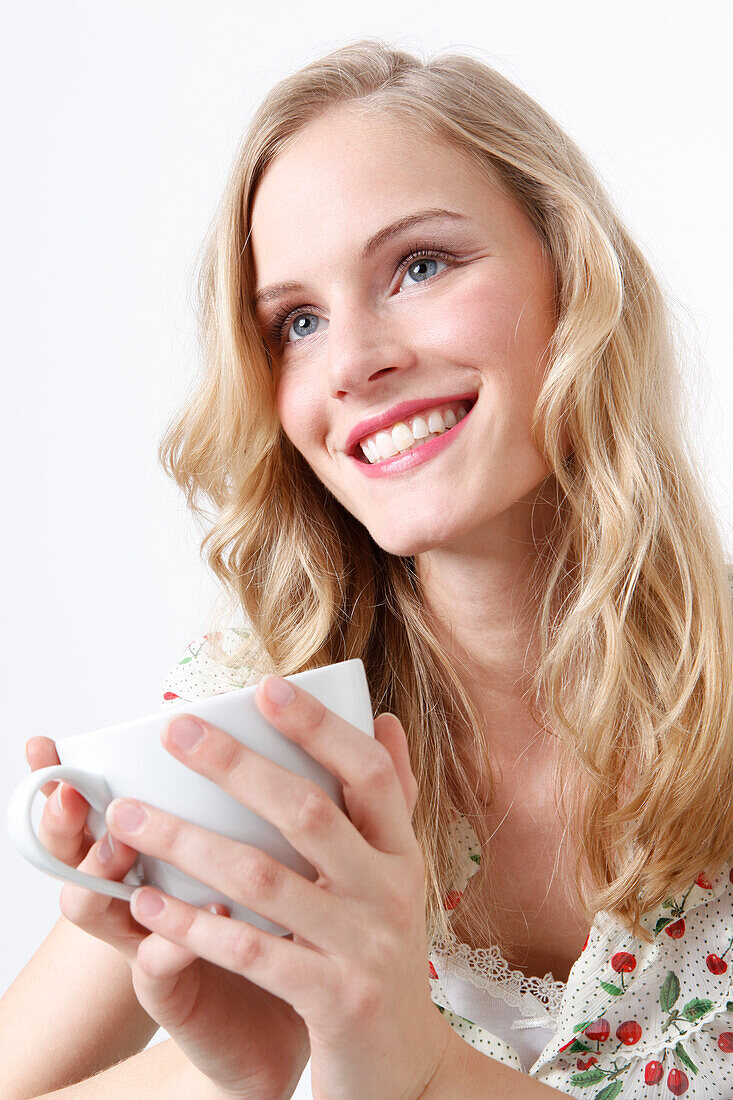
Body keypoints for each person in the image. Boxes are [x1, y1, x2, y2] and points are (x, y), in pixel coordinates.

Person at [2, 36, 732, 1099]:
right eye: (295, 321)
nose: (351, 363)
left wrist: (414, 1066)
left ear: (569, 274)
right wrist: (244, 1082)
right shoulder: (259, 724)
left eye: (420, 266)